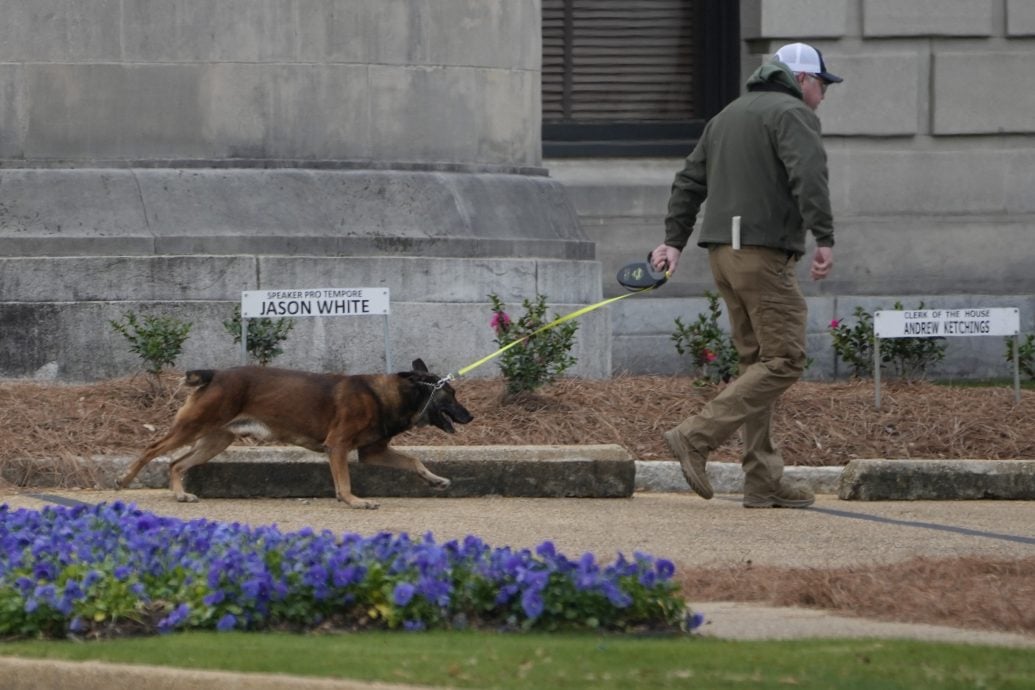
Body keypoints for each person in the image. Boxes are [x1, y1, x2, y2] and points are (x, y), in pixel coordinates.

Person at [650, 42, 842, 509]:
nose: (823, 94)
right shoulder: (792, 114)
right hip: (761, 255)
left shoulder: (728, 115)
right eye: (820, 84)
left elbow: (689, 180)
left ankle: (763, 479)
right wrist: (825, 236)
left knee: (757, 365)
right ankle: (696, 436)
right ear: (799, 79)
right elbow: (809, 174)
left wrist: (673, 240)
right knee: (785, 361)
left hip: (723, 255)